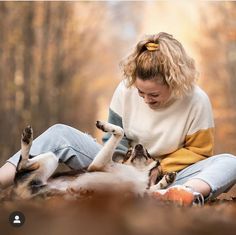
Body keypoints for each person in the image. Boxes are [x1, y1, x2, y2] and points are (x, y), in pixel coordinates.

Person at [0, 32, 236, 205]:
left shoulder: (197, 100)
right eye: (140, 92)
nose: (145, 99)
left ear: (175, 82)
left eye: (153, 94)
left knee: (230, 162)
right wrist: (122, 167)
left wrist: (159, 168)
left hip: (168, 176)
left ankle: (181, 195)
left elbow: (200, 152)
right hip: (120, 168)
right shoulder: (125, 89)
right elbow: (114, 143)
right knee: (59, 133)